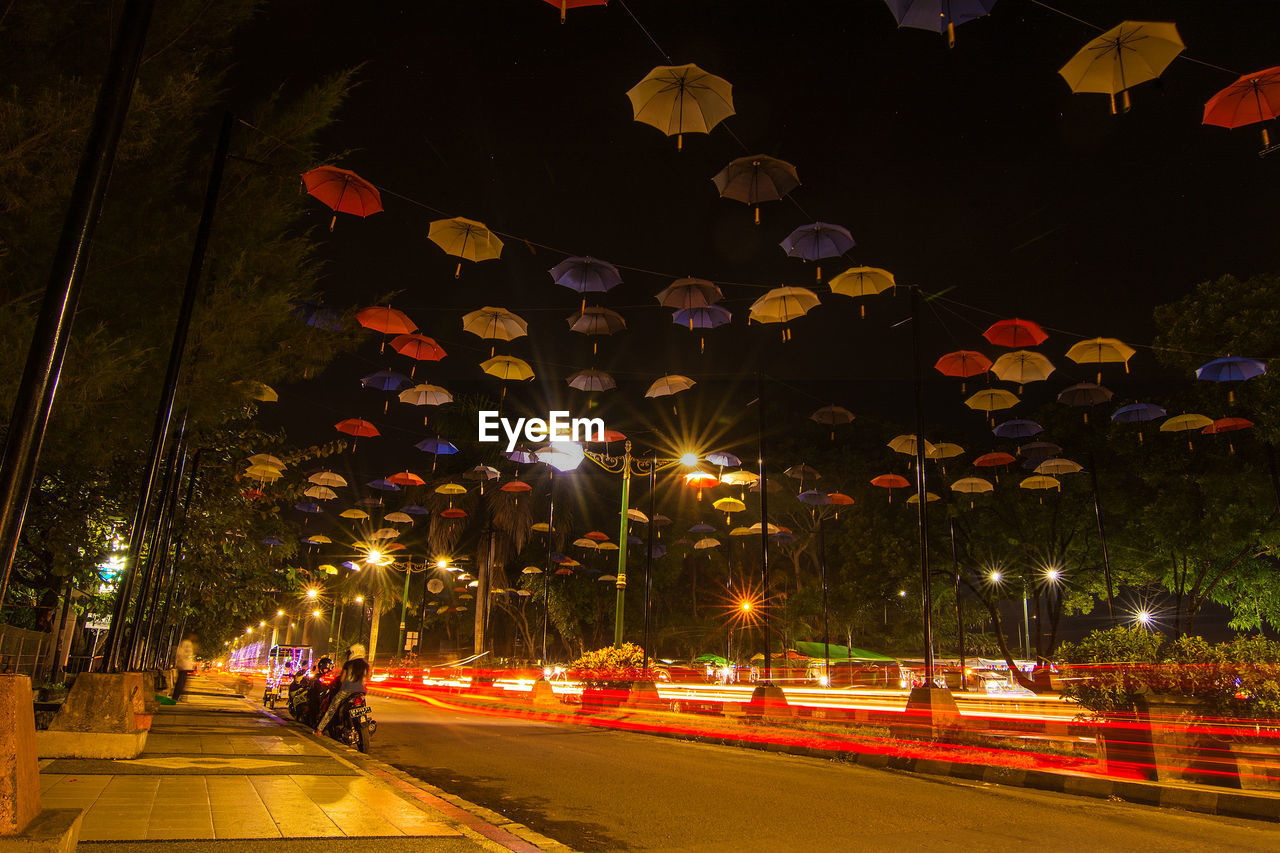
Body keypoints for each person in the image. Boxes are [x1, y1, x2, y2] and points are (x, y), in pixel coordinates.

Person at [315, 645, 368, 735]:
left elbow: (342, 679)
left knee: (332, 709)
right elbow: (366, 678)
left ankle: (319, 729)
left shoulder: (348, 664)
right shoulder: (365, 665)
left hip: (346, 691)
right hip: (361, 692)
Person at [173, 636, 196, 702]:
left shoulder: (187, 643)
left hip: (185, 666)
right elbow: (181, 653)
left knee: (183, 683)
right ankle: (176, 697)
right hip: (183, 666)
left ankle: (178, 697)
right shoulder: (186, 643)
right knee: (181, 683)